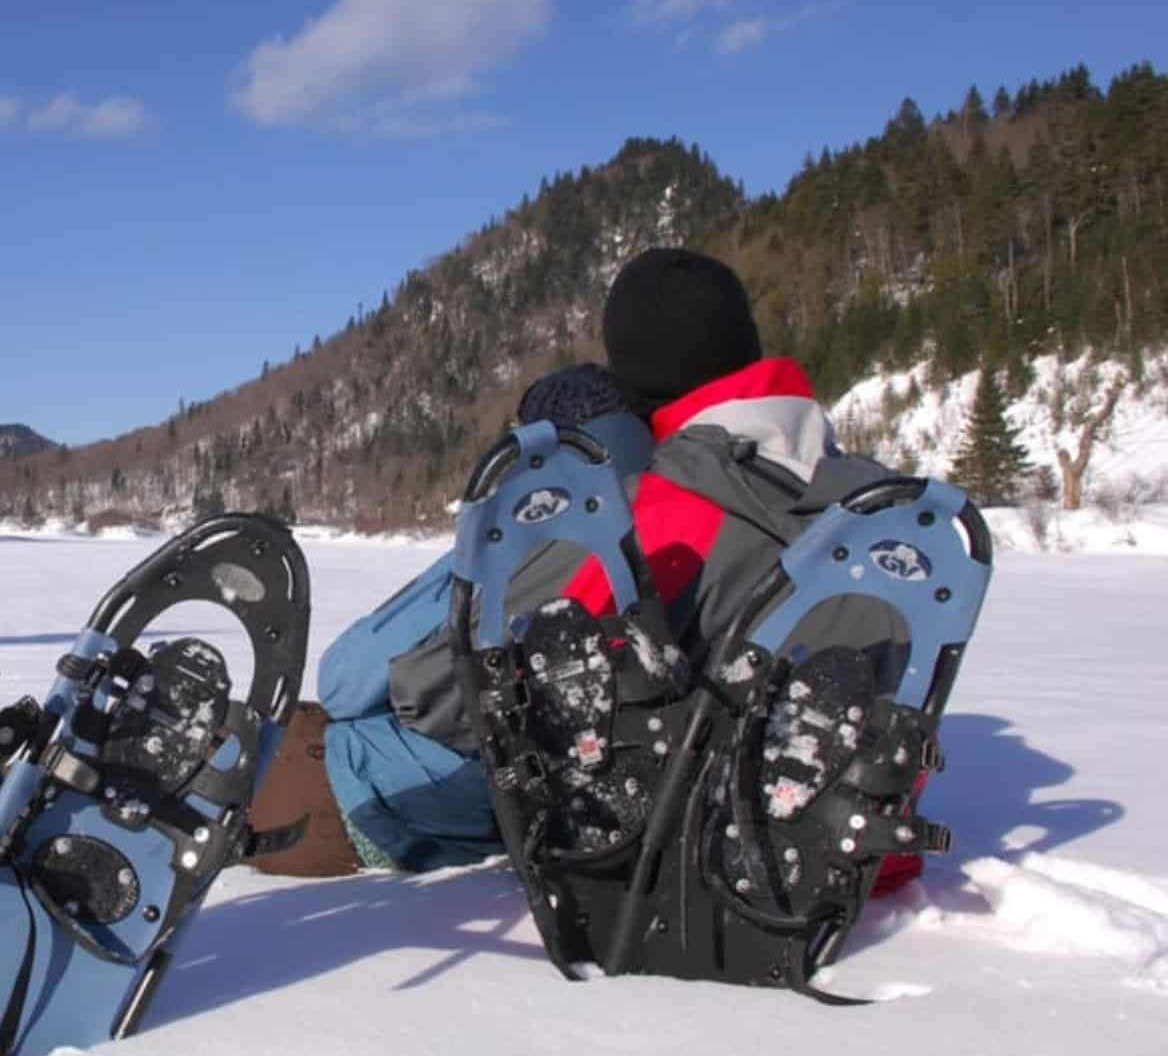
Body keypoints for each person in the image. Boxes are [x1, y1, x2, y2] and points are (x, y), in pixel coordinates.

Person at [251, 247, 927, 898]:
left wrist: (529, 509)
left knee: (268, 755)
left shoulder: (658, 509)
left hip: (644, 833)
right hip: (828, 827)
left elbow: (438, 693)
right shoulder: (888, 512)